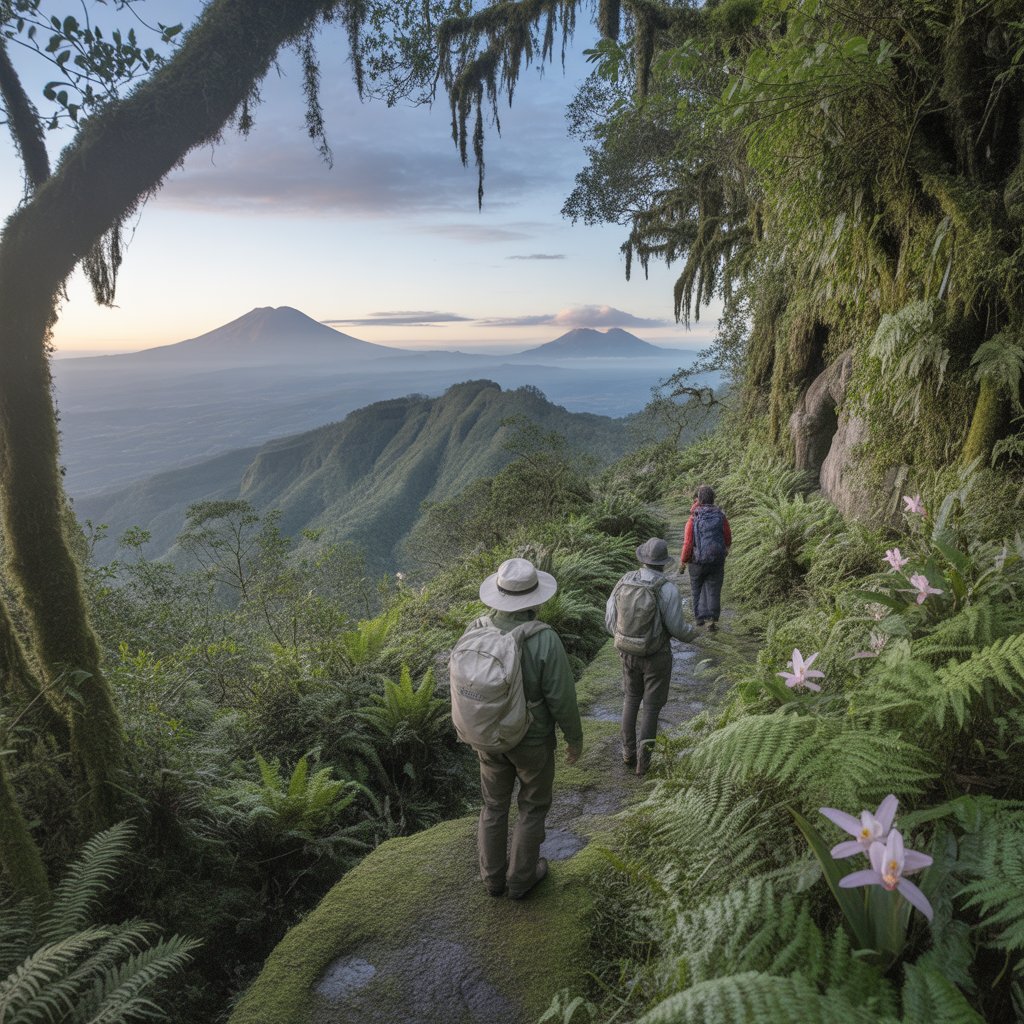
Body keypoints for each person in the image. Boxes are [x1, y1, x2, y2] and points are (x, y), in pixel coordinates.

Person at [456, 557, 583, 900]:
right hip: (532, 739)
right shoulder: (545, 639)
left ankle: (492, 879)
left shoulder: (476, 628)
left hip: (487, 737)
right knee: (532, 805)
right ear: (535, 599)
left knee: (493, 806)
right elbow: (561, 698)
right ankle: (521, 878)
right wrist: (574, 739)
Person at [606, 538, 697, 776]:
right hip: (656, 656)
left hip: (626, 653)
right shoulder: (667, 589)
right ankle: (643, 763)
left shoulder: (623, 582)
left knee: (631, 699)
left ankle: (627, 753)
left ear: (642, 560)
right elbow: (677, 628)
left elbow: (609, 621)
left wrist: (625, 640)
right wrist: (693, 634)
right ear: (663, 563)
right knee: (651, 709)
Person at [680, 484, 731, 630]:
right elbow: (727, 537)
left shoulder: (693, 518)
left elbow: (688, 543)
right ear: (713, 499)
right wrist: (725, 551)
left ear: (698, 500)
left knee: (697, 588)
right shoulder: (721, 516)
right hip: (716, 560)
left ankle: (699, 620)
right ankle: (711, 621)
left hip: (697, 562)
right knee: (713, 589)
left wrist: (683, 561)